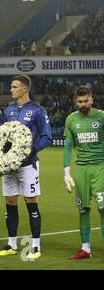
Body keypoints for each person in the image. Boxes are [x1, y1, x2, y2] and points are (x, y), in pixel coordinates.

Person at [0, 75, 52, 260]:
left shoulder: (37, 110)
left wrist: (30, 150)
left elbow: (46, 136)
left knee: (30, 202)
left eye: (14, 86)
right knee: (10, 202)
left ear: (25, 89)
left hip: (28, 165)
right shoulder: (9, 110)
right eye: (11, 86)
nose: (11, 89)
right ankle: (12, 245)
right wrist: (1, 155)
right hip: (9, 167)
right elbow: (3, 135)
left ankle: (35, 247)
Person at [63, 86, 104, 260]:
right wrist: (66, 172)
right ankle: (85, 249)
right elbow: (68, 146)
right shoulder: (71, 119)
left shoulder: (101, 117)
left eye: (86, 100)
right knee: (83, 209)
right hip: (81, 170)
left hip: (100, 167)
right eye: (80, 102)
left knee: (103, 207)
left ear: (92, 100)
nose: (83, 104)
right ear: (75, 102)